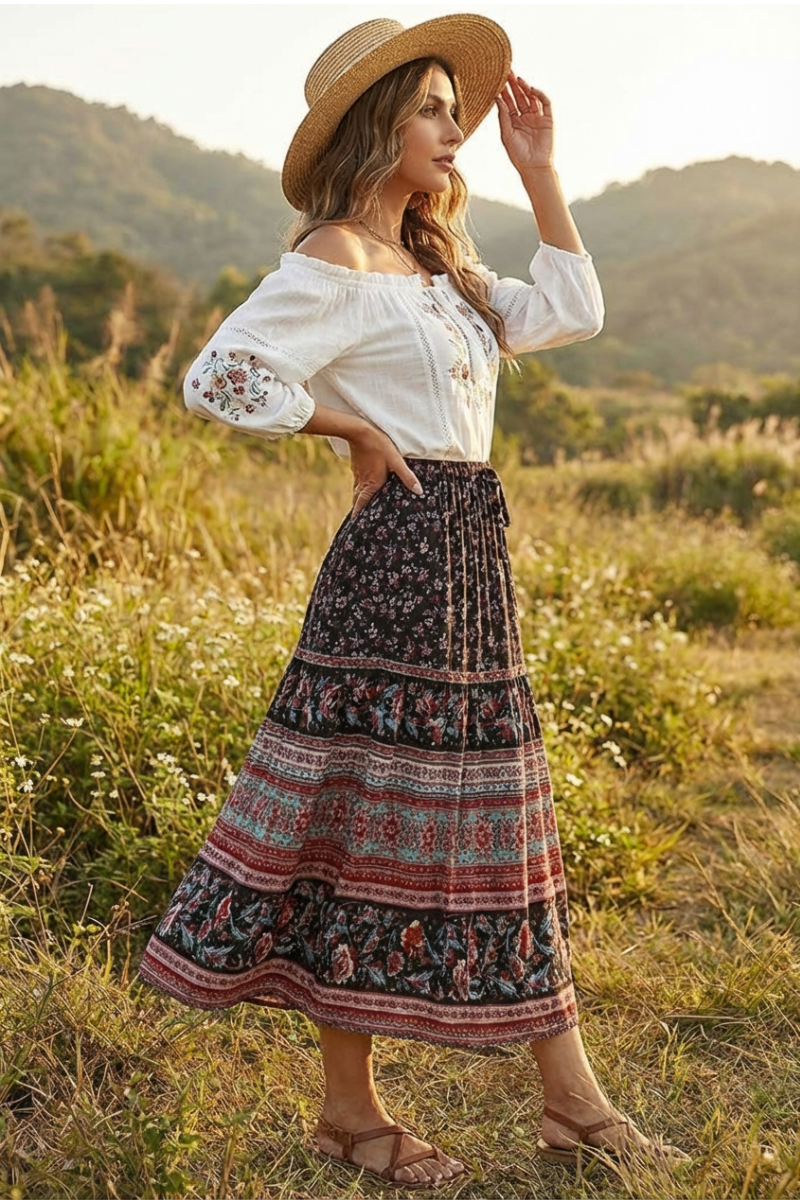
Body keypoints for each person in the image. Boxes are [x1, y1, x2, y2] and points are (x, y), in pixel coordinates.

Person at [139, 15, 688, 1190]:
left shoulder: (441, 267)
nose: (456, 130)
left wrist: (542, 176)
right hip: (393, 556)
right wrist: (345, 422)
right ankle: (378, 1112)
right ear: (376, 126)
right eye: (434, 108)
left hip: (465, 553)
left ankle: (560, 1101)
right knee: (361, 820)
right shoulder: (332, 256)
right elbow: (218, 374)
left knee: (494, 817)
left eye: (456, 109)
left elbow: (566, 315)